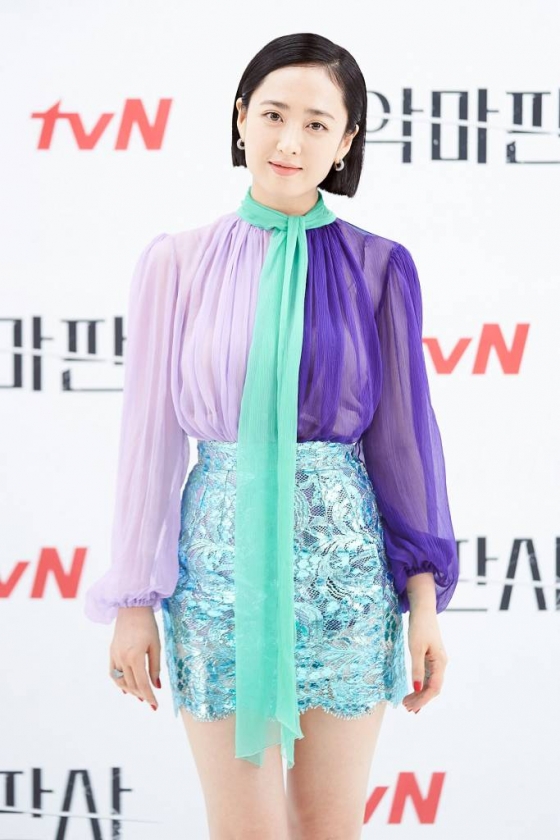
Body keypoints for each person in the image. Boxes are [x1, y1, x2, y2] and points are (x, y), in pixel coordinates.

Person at [84, 32, 458, 840]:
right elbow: (147, 444)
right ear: (240, 118)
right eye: (274, 115)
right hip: (219, 583)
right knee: (243, 831)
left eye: (317, 124)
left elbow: (405, 449)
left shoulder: (378, 268)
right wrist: (134, 602)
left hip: (345, 586)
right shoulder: (177, 262)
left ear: (347, 141)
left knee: (328, 828)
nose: (290, 141)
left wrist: (424, 605)